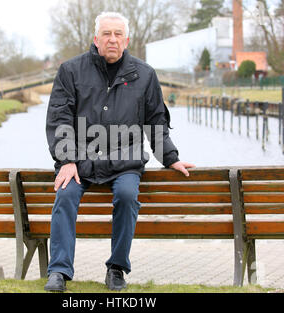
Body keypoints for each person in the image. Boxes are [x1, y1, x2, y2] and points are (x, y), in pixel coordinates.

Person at [44, 11, 195, 292]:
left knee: (127, 196)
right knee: (64, 196)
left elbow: (156, 122)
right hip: (80, 161)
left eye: (117, 35)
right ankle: (59, 272)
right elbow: (59, 118)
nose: (112, 39)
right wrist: (66, 160)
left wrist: (170, 158)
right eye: (106, 34)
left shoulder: (145, 75)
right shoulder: (70, 70)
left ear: (126, 40)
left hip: (125, 162)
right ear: (96, 38)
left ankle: (116, 269)